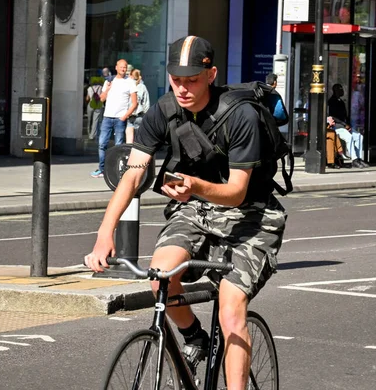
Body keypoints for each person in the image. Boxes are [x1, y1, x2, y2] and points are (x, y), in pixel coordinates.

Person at [84, 36, 286, 390]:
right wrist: (105, 233)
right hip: (195, 209)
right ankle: (195, 337)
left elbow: (237, 192)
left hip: (252, 216)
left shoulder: (241, 116)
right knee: (159, 275)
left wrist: (195, 186)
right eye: (176, 79)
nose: (182, 88)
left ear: (211, 74)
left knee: (230, 309)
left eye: (192, 80)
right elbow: (134, 173)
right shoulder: (164, 110)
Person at [90, 59, 138, 178]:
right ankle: (102, 169)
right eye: (121, 67)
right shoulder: (109, 81)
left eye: (125, 67)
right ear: (116, 67)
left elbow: (134, 103)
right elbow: (101, 99)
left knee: (118, 145)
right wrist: (107, 89)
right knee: (102, 144)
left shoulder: (130, 82)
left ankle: (117, 169)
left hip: (119, 118)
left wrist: (125, 116)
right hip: (107, 117)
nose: (123, 69)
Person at [327, 84, 368, 168]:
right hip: (337, 126)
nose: (342, 91)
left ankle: (359, 158)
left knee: (359, 136)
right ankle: (354, 159)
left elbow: (345, 116)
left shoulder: (341, 102)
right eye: (340, 89)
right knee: (349, 137)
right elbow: (333, 116)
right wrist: (344, 125)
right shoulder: (331, 101)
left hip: (344, 126)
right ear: (335, 90)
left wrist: (348, 124)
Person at [125, 69, 150, 144]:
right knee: (138, 140)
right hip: (139, 115)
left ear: (131, 76)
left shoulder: (128, 86)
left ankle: (128, 155)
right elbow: (146, 103)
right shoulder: (143, 87)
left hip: (129, 115)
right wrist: (145, 113)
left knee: (129, 141)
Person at [85, 76, 105, 140]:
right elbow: (103, 98)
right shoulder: (101, 88)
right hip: (98, 105)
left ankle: (89, 133)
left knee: (89, 120)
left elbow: (87, 98)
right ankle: (93, 135)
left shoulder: (89, 88)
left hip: (90, 105)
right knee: (95, 120)